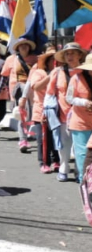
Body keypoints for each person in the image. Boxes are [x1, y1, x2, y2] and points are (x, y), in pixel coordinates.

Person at [48, 43, 85, 181]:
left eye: (73, 53)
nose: (70, 56)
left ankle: (78, 169)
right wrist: (47, 111)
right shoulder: (57, 72)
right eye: (67, 53)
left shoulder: (86, 71)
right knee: (63, 143)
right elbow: (50, 93)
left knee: (79, 145)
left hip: (82, 115)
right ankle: (64, 166)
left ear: (79, 55)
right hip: (62, 114)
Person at [24, 49, 57, 173]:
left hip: (57, 111)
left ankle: (56, 160)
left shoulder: (61, 73)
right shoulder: (39, 72)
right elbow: (36, 87)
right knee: (43, 139)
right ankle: (44, 162)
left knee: (55, 138)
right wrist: (50, 76)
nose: (55, 62)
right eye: (52, 59)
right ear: (47, 61)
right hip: (41, 111)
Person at [2, 39, 38, 151]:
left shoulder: (35, 59)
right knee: (21, 114)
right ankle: (23, 139)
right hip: (18, 90)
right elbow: (4, 75)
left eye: (26, 45)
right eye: (21, 45)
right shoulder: (11, 59)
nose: (24, 47)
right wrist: (0, 90)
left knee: (31, 115)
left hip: (32, 90)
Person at [66, 54, 92, 184]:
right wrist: (84, 102)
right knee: (82, 155)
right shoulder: (76, 79)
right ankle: (84, 182)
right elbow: (69, 98)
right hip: (80, 123)